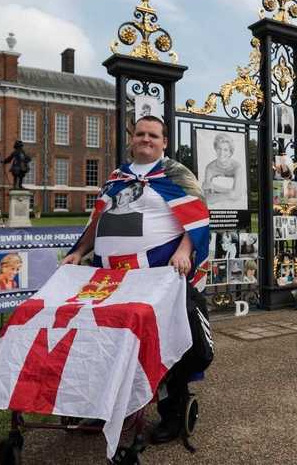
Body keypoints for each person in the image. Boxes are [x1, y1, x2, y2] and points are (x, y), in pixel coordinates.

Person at [61, 116, 211, 444]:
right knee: (110, 340)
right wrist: (79, 251)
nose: (146, 139)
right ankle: (109, 407)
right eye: (140, 134)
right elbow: (98, 220)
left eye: (153, 135)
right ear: (132, 140)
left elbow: (198, 220)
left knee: (163, 340)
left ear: (164, 142)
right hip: (112, 278)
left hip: (158, 274)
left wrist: (184, 251)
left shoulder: (177, 176)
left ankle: (173, 410)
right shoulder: (117, 178)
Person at [202, 133, 243, 207]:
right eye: (219, 149)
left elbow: (237, 195)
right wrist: (230, 193)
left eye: (225, 150)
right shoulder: (210, 168)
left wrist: (214, 187)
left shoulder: (237, 167)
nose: (221, 153)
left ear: (230, 152)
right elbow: (207, 198)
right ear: (215, 149)